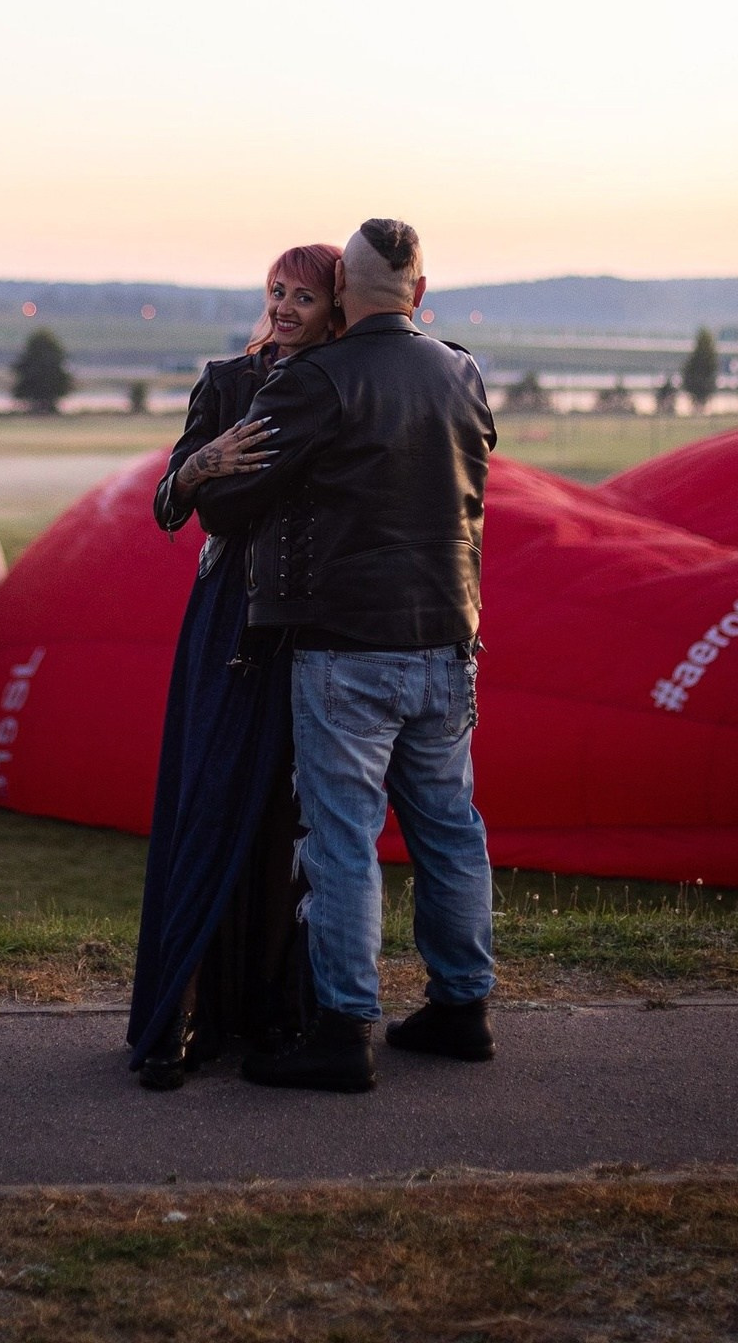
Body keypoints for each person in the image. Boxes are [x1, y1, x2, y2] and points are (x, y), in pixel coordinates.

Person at [195, 217, 497, 1093]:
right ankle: (462, 1009)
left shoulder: (318, 380)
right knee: (449, 833)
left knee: (341, 842)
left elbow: (228, 511)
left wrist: (209, 467)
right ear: (420, 295)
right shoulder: (462, 370)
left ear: (343, 300)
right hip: (450, 637)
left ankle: (342, 1031)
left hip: (345, 649)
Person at [127, 243, 344, 1090]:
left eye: (305, 296)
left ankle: (277, 1014)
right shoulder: (227, 380)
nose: (286, 308)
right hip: (229, 617)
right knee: (209, 805)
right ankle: (179, 1014)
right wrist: (200, 465)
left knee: (292, 824)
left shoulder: (343, 388)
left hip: (315, 622)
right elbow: (166, 507)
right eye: (276, 292)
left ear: (337, 309)